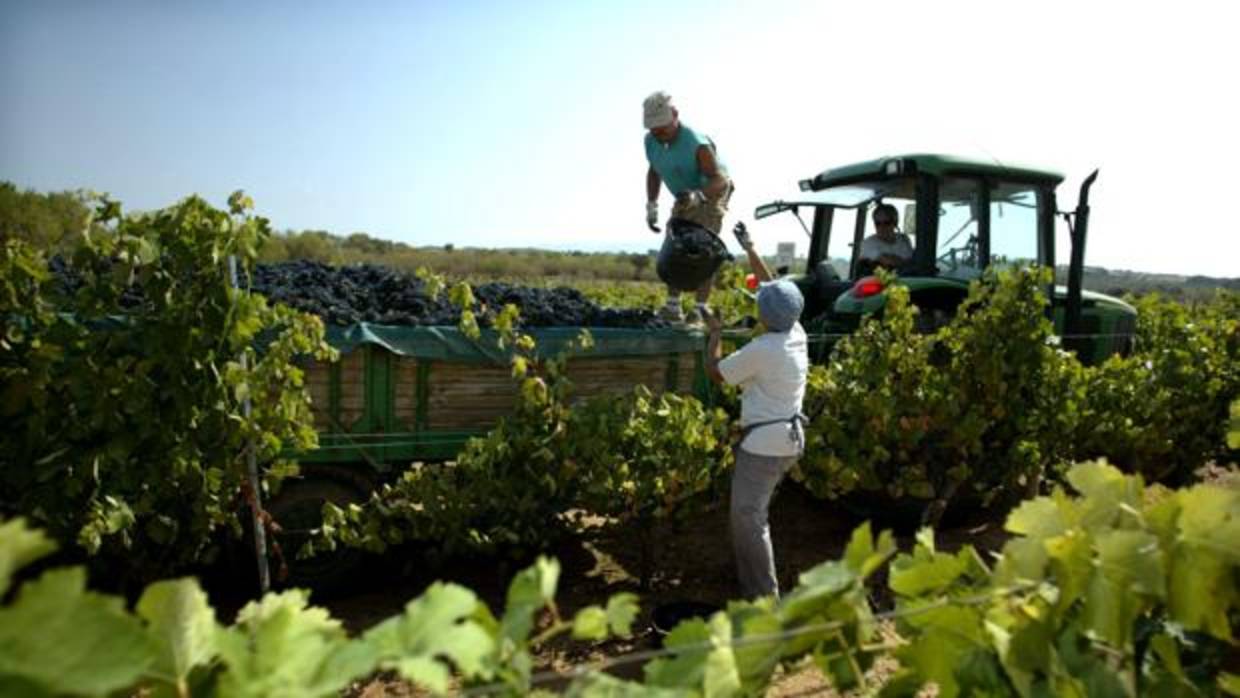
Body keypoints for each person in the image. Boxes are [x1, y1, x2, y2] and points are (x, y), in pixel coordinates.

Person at [703, 222, 808, 599]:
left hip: (765, 445)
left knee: (749, 521)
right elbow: (771, 289)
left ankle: (764, 601)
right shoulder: (797, 334)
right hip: (789, 440)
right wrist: (749, 247)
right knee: (754, 514)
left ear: (764, 317)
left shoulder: (763, 349)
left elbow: (716, 374)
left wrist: (714, 334)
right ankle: (755, 589)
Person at [643, 90, 733, 324]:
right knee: (677, 244)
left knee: (702, 249)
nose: (659, 134)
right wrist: (652, 204)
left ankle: (700, 310)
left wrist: (699, 196)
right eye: (653, 130)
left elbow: (719, 180)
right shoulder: (651, 141)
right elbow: (654, 171)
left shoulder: (695, 142)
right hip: (685, 194)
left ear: (675, 115)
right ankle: (673, 307)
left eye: (662, 128)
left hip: (711, 191)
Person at [858, 203, 913, 271]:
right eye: (878, 223)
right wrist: (897, 261)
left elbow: (911, 262)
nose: (882, 227)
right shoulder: (868, 243)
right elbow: (889, 262)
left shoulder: (904, 239)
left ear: (895, 223)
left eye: (886, 223)